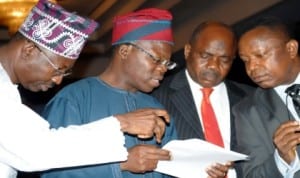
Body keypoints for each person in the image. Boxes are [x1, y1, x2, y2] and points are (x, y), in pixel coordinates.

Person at [0, 1, 171, 178]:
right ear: (29, 50)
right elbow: (37, 150)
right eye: (58, 69)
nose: (58, 80)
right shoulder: (72, 98)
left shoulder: (7, 89)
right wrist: (121, 125)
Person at [152, 21, 254, 178]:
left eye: (224, 59)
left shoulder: (250, 97)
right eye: (206, 56)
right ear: (187, 51)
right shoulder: (156, 95)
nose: (214, 65)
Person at [233, 17, 300, 177]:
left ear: (291, 49)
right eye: (245, 61)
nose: (252, 68)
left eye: (260, 55)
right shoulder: (247, 111)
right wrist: (282, 159)